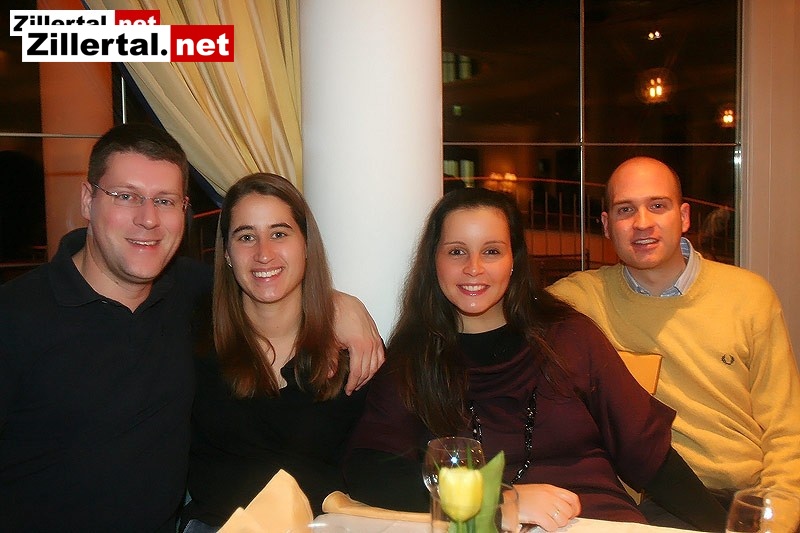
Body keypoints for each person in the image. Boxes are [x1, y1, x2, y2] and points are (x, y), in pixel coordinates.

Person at [0, 124, 383, 532]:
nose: (148, 219)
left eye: (164, 201)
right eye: (126, 196)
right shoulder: (14, 317)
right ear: (87, 199)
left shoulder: (189, 295)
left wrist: (341, 305)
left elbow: (266, 278)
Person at [345, 187, 727, 532]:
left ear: (514, 259)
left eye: (491, 251)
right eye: (457, 251)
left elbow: (649, 454)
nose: (474, 268)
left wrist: (726, 529)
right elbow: (369, 471)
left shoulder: (570, 336)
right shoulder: (415, 357)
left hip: (594, 521)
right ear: (434, 261)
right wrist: (498, 498)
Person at [548, 156, 800, 520]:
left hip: (739, 497)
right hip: (641, 503)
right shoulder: (579, 301)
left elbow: (786, 430)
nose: (642, 223)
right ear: (606, 225)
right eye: (625, 210)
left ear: (683, 217)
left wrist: (779, 515)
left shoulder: (749, 297)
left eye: (657, 206)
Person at [181, 174, 368, 530]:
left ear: (306, 244)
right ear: (227, 253)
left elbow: (377, 462)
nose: (263, 253)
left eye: (279, 234)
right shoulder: (195, 339)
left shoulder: (352, 352)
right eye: (246, 237)